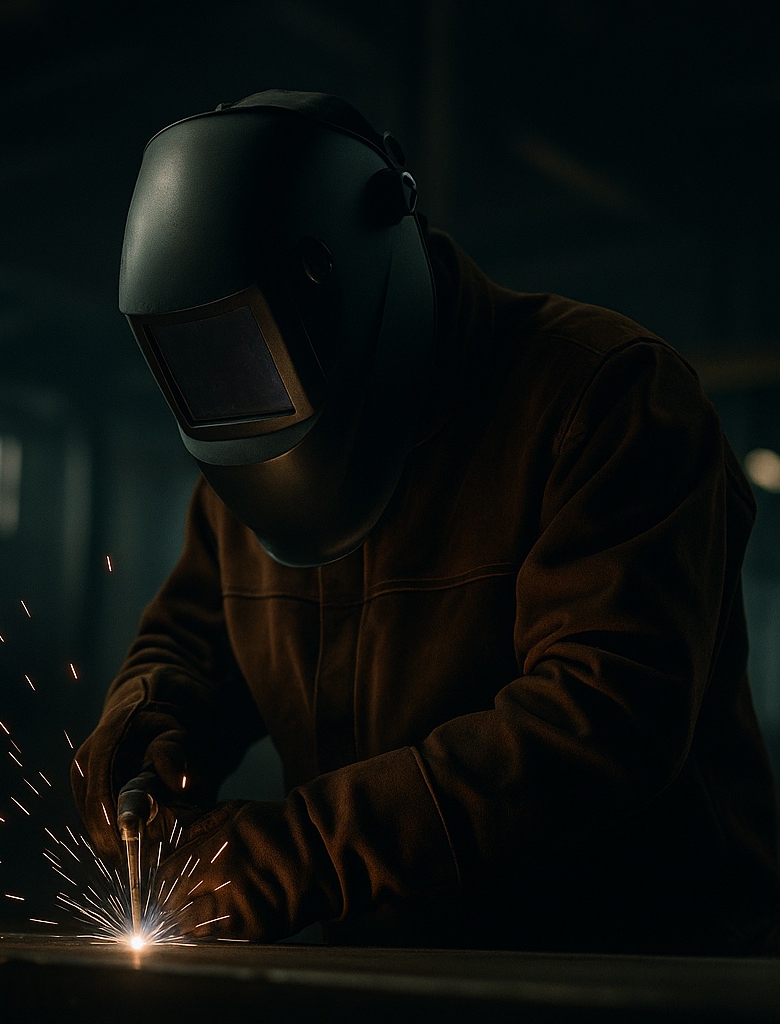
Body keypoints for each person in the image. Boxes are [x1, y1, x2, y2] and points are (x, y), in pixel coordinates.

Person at [73, 90, 780, 955]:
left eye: (258, 349)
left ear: (340, 274)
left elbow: (602, 718)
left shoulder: (606, 399)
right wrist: (147, 728)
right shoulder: (243, 463)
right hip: (400, 968)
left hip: (641, 967)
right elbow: (189, 642)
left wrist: (306, 851)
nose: (242, 390)